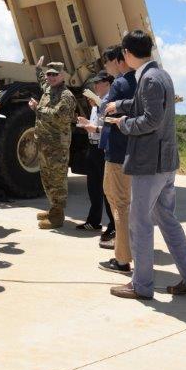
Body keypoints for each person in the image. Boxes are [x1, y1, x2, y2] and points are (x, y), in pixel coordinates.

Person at [105, 30, 186, 300]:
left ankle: (141, 285)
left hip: (150, 164)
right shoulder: (160, 74)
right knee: (166, 219)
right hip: (166, 163)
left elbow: (150, 119)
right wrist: (120, 105)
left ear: (127, 54)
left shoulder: (148, 79)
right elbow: (147, 105)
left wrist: (123, 123)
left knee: (139, 223)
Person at [97, 45, 137, 275]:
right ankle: (127, 251)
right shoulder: (140, 82)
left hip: (117, 152)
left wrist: (101, 104)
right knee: (126, 203)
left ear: (118, 61)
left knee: (119, 203)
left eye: (108, 63)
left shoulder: (121, 84)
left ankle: (122, 259)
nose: (107, 68)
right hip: (132, 152)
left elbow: (106, 112)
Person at [29, 58, 77, 229]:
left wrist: (38, 108)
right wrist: (37, 70)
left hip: (57, 145)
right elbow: (42, 82)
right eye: (49, 74)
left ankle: (57, 216)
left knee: (57, 180)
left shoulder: (66, 95)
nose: (50, 77)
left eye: (54, 75)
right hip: (45, 143)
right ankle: (53, 208)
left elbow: (60, 115)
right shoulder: (49, 88)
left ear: (62, 75)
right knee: (47, 178)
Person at [76, 71, 114, 231]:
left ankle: (113, 225)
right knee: (93, 188)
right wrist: (86, 124)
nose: (95, 86)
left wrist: (95, 129)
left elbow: (111, 127)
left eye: (99, 83)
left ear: (108, 84)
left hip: (103, 149)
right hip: (92, 147)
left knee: (107, 190)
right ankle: (94, 221)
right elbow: (95, 123)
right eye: (95, 83)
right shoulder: (95, 104)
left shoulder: (110, 103)